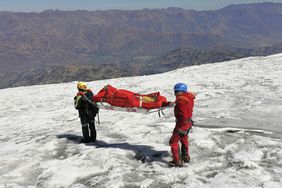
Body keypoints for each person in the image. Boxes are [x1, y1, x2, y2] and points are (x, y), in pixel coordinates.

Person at [169, 83, 195, 167]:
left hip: (182, 124)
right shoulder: (189, 97)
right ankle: (186, 157)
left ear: (181, 91)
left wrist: (179, 127)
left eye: (176, 91)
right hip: (188, 123)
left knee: (173, 142)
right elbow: (186, 106)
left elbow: (183, 115)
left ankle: (177, 161)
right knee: (184, 139)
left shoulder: (180, 100)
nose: (175, 93)